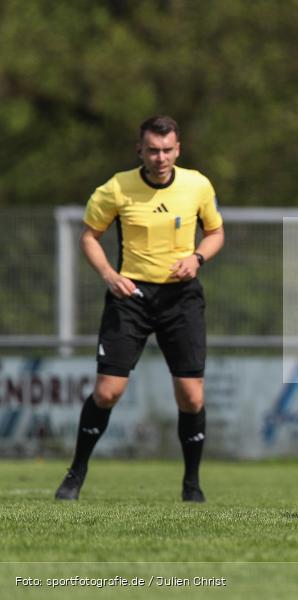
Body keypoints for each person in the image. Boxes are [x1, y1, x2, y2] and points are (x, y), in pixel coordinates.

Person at [55, 116, 224, 503]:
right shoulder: (116, 188)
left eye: (167, 150)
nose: (160, 157)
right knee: (107, 392)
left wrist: (197, 258)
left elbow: (216, 233)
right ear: (140, 150)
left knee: (191, 397)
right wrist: (109, 276)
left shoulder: (197, 185)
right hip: (130, 297)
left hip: (181, 298)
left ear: (178, 149)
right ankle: (75, 473)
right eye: (153, 150)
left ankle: (191, 485)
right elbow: (89, 237)